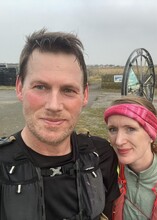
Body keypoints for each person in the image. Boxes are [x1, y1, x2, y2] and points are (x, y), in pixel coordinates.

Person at [0, 29, 120, 220]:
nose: (54, 106)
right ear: (20, 88)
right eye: (40, 87)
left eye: (68, 90)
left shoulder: (101, 156)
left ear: (85, 95)